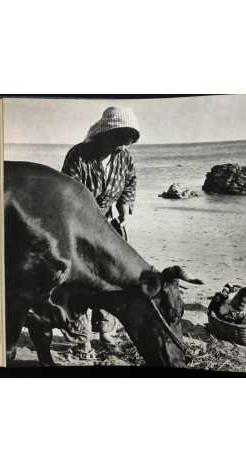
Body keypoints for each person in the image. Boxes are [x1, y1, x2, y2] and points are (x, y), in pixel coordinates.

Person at [61, 106, 141, 358]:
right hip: (80, 227)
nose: (121, 145)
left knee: (112, 279)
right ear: (105, 133)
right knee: (80, 284)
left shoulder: (124, 156)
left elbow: (130, 180)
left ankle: (106, 332)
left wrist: (125, 204)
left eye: (127, 140)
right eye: (118, 139)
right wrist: (91, 220)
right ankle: (79, 341)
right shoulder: (79, 155)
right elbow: (67, 193)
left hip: (111, 226)